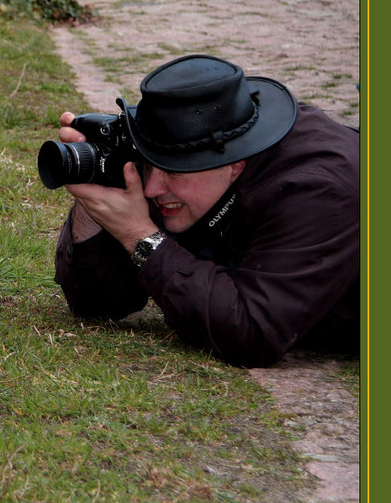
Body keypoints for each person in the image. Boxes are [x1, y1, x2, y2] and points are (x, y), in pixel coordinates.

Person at [52, 54, 360, 367]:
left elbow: (251, 333)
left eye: (173, 171)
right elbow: (96, 304)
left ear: (236, 165)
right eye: (150, 164)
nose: (152, 189)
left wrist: (140, 237)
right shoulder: (181, 158)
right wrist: (95, 197)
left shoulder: (318, 190)